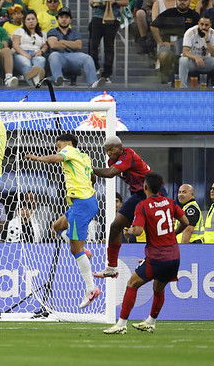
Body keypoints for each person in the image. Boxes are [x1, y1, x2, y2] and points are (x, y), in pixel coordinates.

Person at [103, 171, 189, 335]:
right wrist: (173, 234)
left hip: (157, 256)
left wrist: (131, 230)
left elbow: (139, 230)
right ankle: (151, 322)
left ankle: (121, 324)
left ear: (145, 187)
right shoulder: (170, 202)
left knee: (132, 284)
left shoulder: (143, 205)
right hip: (174, 256)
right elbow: (185, 221)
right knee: (159, 288)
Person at [24, 133, 101, 309]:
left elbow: (56, 158)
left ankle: (91, 289)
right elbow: (92, 178)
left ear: (69, 143)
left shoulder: (70, 151)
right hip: (82, 202)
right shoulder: (85, 156)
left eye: (59, 144)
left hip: (82, 203)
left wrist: (38, 158)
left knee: (75, 250)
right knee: (56, 227)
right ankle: (83, 250)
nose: (57, 147)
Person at [91, 136, 158, 277]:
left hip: (153, 192)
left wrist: (89, 169)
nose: (109, 153)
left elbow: (109, 173)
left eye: (111, 149)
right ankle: (111, 267)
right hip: (139, 195)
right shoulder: (112, 161)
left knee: (151, 227)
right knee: (116, 226)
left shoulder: (129, 155)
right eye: (106, 150)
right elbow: (108, 171)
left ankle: (154, 258)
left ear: (120, 148)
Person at [89, 0, 129, 83]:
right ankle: (95, 67)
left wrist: (115, 2)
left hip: (112, 17)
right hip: (98, 15)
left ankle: (107, 74)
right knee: (92, 44)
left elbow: (126, 1)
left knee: (109, 46)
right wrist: (92, 2)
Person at [47, 7, 105, 87]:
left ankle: (93, 83)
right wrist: (71, 44)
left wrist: (62, 42)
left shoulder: (75, 33)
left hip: (72, 57)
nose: (64, 19)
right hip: (59, 56)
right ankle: (58, 80)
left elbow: (78, 45)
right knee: (53, 56)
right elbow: (53, 45)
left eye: (66, 17)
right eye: (61, 17)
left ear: (70, 20)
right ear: (58, 19)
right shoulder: (52, 31)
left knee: (87, 58)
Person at [178, 16, 214, 87]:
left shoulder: (212, 34)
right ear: (198, 24)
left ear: (210, 25)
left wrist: (207, 41)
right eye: (201, 24)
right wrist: (196, 57)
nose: (203, 27)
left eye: (206, 25)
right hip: (192, 62)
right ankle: (182, 87)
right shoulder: (190, 32)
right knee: (183, 60)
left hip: (205, 62)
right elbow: (185, 52)